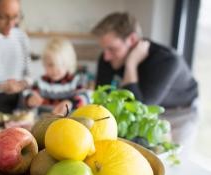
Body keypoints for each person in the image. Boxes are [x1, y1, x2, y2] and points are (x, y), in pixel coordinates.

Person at [92, 12, 199, 149]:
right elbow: (102, 97)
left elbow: (140, 107)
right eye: (104, 49)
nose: (106, 56)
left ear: (131, 39)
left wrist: (131, 65)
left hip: (180, 112)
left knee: (174, 160)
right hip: (149, 112)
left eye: (112, 49)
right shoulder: (108, 58)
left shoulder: (167, 60)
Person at [25, 38, 90, 115]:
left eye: (60, 65)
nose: (55, 70)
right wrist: (30, 100)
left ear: (69, 63)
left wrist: (71, 103)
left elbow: (85, 98)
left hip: (70, 123)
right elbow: (28, 95)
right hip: (45, 124)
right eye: (50, 65)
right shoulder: (40, 83)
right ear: (44, 64)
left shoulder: (76, 81)